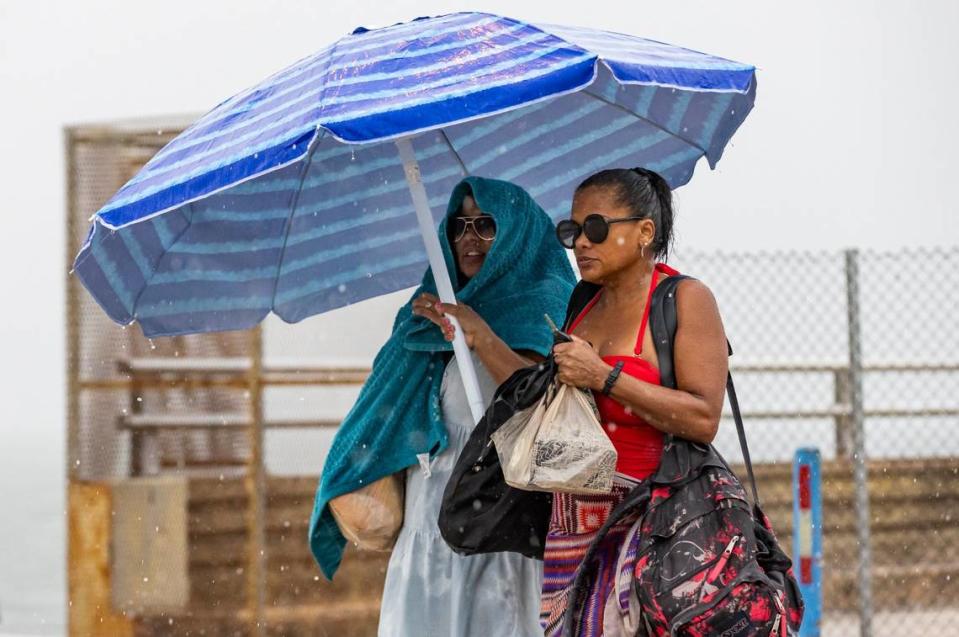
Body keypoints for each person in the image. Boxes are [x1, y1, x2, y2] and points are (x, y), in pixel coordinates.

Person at [308, 176, 576, 637]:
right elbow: (383, 407)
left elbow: (539, 403)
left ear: (517, 233)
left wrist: (480, 334)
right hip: (430, 525)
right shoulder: (430, 313)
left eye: (486, 225)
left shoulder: (546, 308)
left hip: (503, 525)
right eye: (459, 226)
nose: (468, 239)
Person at [540, 168, 730, 636]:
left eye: (597, 228)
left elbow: (703, 418)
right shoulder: (580, 304)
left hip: (658, 521)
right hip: (575, 527)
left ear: (645, 231)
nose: (582, 242)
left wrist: (604, 376)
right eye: (573, 230)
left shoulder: (685, 299)